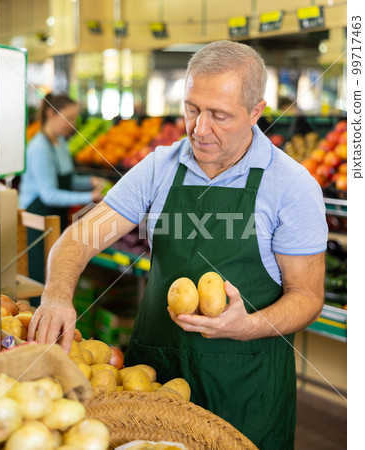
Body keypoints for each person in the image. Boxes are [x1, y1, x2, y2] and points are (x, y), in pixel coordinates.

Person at [28, 41, 327, 449]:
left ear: (256, 113)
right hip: (154, 379)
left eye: (219, 115)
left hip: (245, 390)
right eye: (192, 109)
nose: (200, 130)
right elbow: (79, 237)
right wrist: (58, 294)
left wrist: (247, 326)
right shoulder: (160, 166)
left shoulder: (292, 186)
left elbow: (307, 295)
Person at [18, 93, 106, 283]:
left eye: (75, 119)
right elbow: (49, 194)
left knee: (55, 274)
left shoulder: (60, 143)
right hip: (36, 222)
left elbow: (67, 180)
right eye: (69, 118)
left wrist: (89, 181)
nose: (73, 124)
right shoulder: (39, 147)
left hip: (54, 220)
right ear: (51, 114)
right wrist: (89, 196)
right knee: (39, 279)